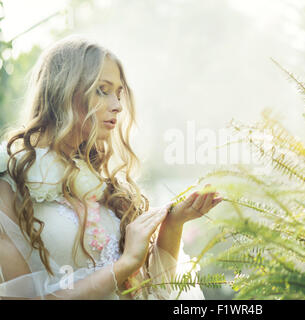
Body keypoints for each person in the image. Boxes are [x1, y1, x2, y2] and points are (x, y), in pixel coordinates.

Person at [0, 35, 223, 300]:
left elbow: (149, 289)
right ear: (64, 90)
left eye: (118, 94)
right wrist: (124, 265)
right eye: (102, 90)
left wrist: (173, 226)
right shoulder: (11, 177)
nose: (117, 106)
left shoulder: (101, 180)